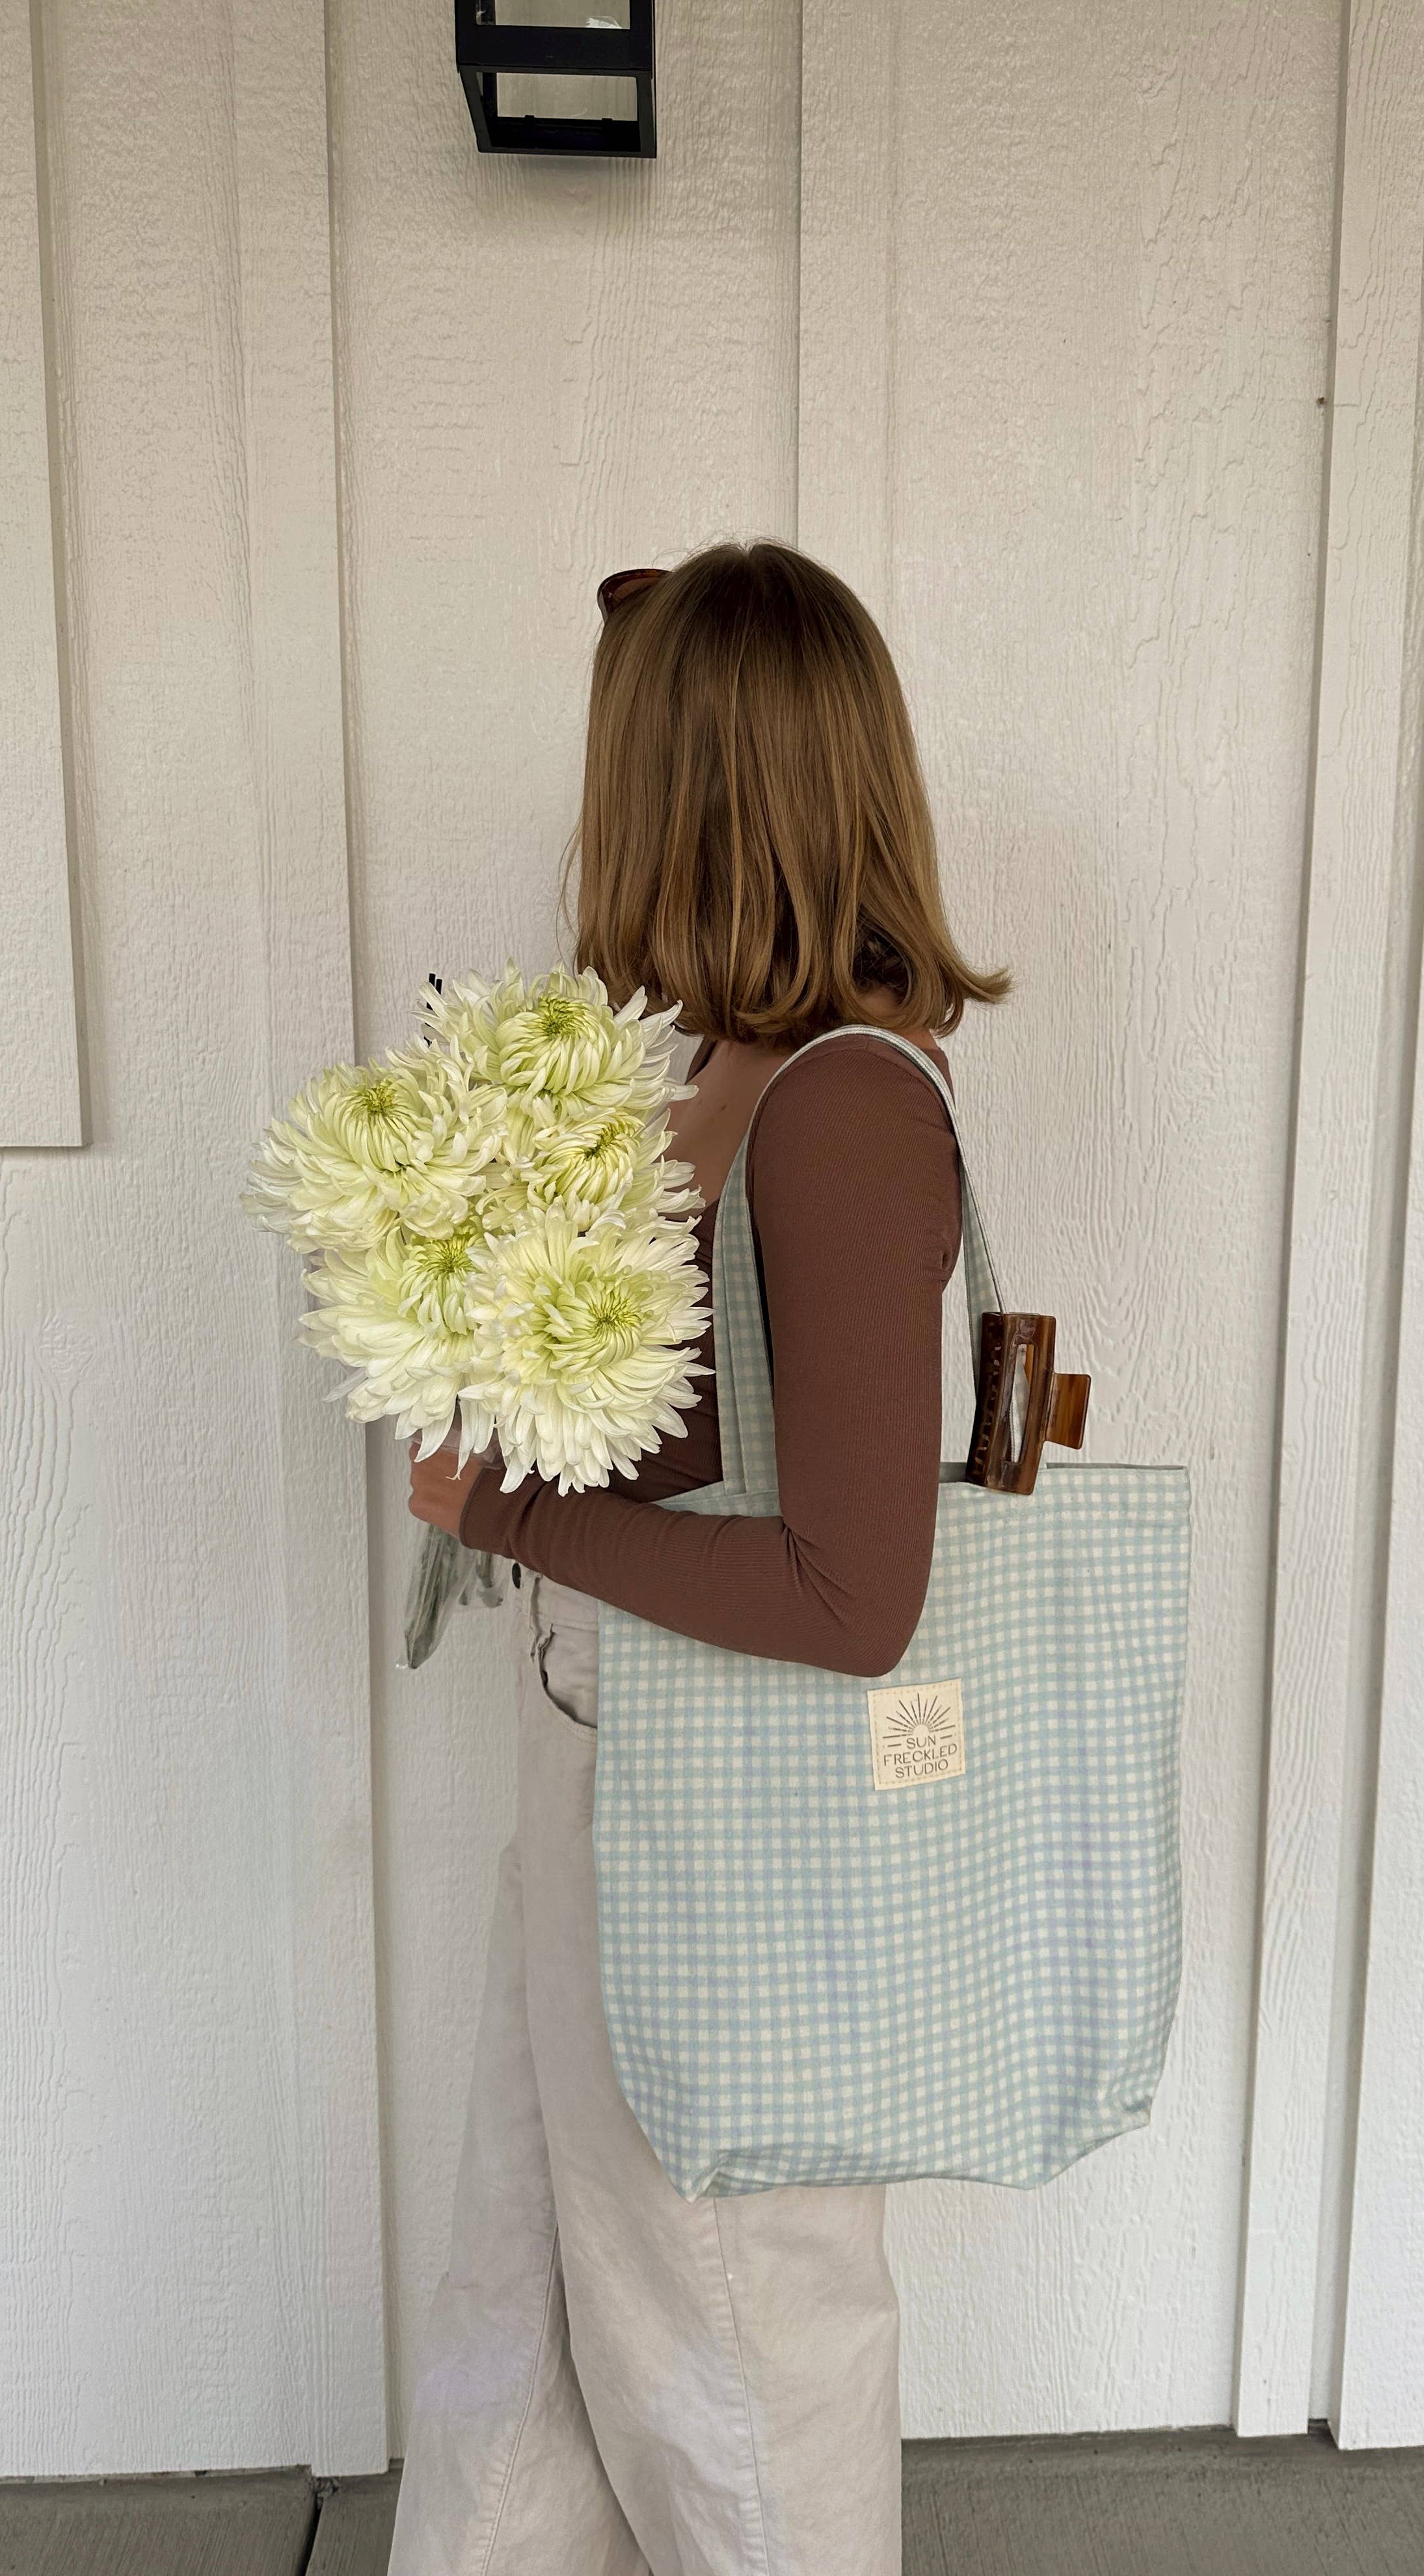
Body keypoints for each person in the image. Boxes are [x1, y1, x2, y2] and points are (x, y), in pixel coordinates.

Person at [390, 540, 1008, 2576]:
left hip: (730, 1806)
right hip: (614, 1749)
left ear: (681, 784)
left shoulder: (838, 1108)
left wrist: (512, 1513)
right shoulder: (690, 1072)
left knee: (734, 2339)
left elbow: (857, 1598)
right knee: (542, 2291)